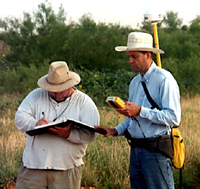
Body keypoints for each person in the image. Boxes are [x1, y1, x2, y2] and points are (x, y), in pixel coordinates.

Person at [95, 32, 181, 189]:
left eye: (135, 56)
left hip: (156, 151)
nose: (130, 61)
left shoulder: (165, 80)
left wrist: (141, 111)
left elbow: (174, 118)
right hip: (135, 151)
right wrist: (115, 130)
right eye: (129, 56)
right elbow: (132, 119)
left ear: (148, 55)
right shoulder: (134, 83)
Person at [15, 61, 100, 189]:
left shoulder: (84, 102)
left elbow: (91, 134)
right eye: (51, 89)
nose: (55, 92)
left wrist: (69, 134)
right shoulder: (35, 95)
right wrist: (34, 123)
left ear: (70, 84)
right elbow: (19, 118)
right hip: (34, 166)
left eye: (59, 89)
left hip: (67, 168)